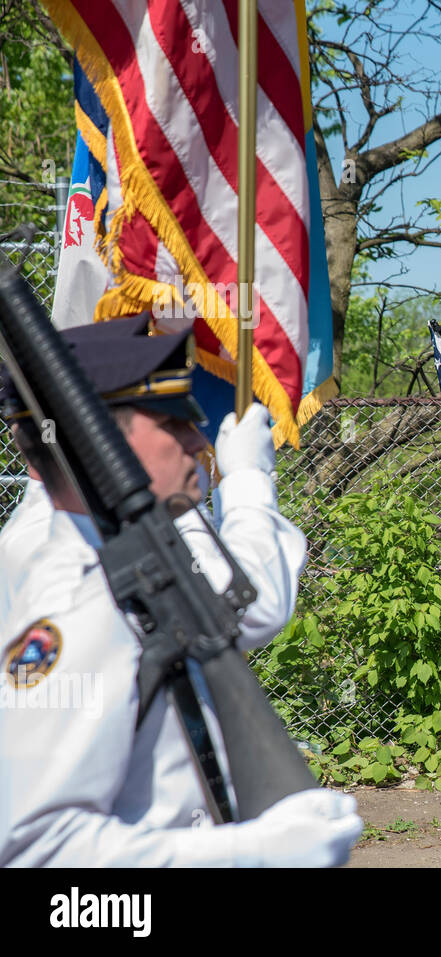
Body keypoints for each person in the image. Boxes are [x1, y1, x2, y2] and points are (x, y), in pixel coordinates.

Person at [0, 316, 360, 865]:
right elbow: (34, 848)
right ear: (98, 442)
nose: (198, 438)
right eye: (174, 421)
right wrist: (252, 854)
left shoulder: (126, 553)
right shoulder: (79, 599)